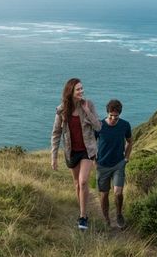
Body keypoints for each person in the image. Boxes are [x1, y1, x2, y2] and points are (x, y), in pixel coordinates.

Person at [51, 78, 101, 230]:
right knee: (77, 184)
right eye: (78, 89)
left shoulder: (88, 104)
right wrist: (53, 157)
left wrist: (87, 111)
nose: (81, 91)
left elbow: (98, 126)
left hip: (87, 150)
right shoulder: (61, 110)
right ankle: (82, 210)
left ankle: (83, 216)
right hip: (71, 152)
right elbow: (56, 134)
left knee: (83, 181)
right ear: (70, 91)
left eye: (82, 88)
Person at [94, 99, 133, 229]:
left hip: (118, 164)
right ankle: (106, 219)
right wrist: (94, 161)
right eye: (111, 115)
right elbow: (91, 143)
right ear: (107, 113)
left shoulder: (125, 125)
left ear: (119, 114)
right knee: (104, 194)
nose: (113, 118)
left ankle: (119, 214)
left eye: (116, 116)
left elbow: (130, 141)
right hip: (102, 165)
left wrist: (126, 158)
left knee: (118, 193)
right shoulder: (99, 125)